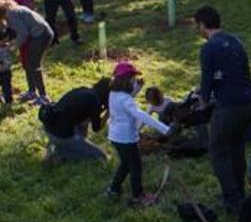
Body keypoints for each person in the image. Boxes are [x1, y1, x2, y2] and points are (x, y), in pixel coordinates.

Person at [194, 5, 251, 214]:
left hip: (228, 107)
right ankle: (240, 191)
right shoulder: (236, 41)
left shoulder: (209, 48)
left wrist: (203, 102)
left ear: (202, 25)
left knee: (218, 151)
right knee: (237, 148)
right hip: (248, 104)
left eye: (198, 26)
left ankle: (232, 199)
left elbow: (207, 79)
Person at [106, 61, 172, 207]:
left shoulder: (114, 93)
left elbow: (127, 100)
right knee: (136, 167)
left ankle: (113, 188)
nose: (134, 80)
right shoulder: (125, 99)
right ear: (127, 79)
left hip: (115, 136)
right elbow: (141, 115)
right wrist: (165, 129)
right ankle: (138, 196)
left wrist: (137, 89)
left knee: (125, 164)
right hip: (126, 138)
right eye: (133, 78)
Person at [39, 78, 111, 162]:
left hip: (49, 127)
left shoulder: (84, 90)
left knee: (80, 131)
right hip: (61, 135)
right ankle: (58, 154)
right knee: (101, 157)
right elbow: (97, 128)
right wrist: (108, 112)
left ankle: (60, 146)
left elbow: (83, 122)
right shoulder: (95, 101)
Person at [0, 0, 53, 104]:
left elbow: (23, 34)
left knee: (33, 65)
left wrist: (12, 47)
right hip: (38, 34)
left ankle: (43, 96)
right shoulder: (12, 10)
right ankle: (32, 92)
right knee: (28, 64)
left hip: (41, 35)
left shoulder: (11, 14)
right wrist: (11, 43)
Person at [0, 28, 13, 104]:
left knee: (6, 86)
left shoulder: (7, 47)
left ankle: (8, 100)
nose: (5, 42)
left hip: (6, 70)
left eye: (6, 40)